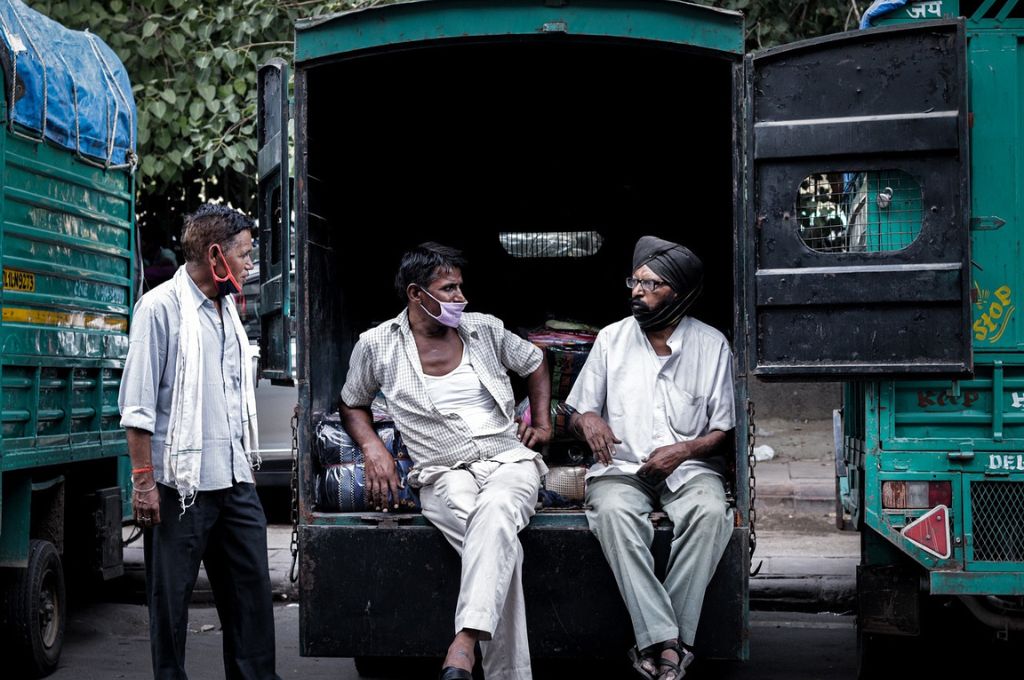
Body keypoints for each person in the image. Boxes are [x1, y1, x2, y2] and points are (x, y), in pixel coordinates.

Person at [340, 242, 552, 680]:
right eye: (449, 289)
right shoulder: (376, 344)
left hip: (507, 460)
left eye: (461, 288)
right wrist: (373, 448)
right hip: (440, 473)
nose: (461, 298)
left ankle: (465, 642)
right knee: (496, 539)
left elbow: (535, 362)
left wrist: (543, 422)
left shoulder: (484, 329)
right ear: (417, 294)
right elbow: (352, 402)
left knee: (495, 511)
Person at [118, 203, 281, 680]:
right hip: (178, 488)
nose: (251, 266)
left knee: (252, 604)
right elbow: (138, 408)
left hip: (234, 481)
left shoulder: (227, 308)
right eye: (245, 255)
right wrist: (144, 483)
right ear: (216, 256)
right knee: (170, 610)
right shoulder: (159, 308)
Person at [564, 236, 735, 680]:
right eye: (634, 282)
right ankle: (671, 644)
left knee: (712, 512)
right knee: (614, 514)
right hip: (623, 469)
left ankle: (659, 642)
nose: (635, 292)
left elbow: (722, 430)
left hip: (690, 469)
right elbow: (577, 411)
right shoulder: (611, 339)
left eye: (649, 284)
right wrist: (588, 421)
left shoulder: (711, 344)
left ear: (678, 293)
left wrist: (684, 449)